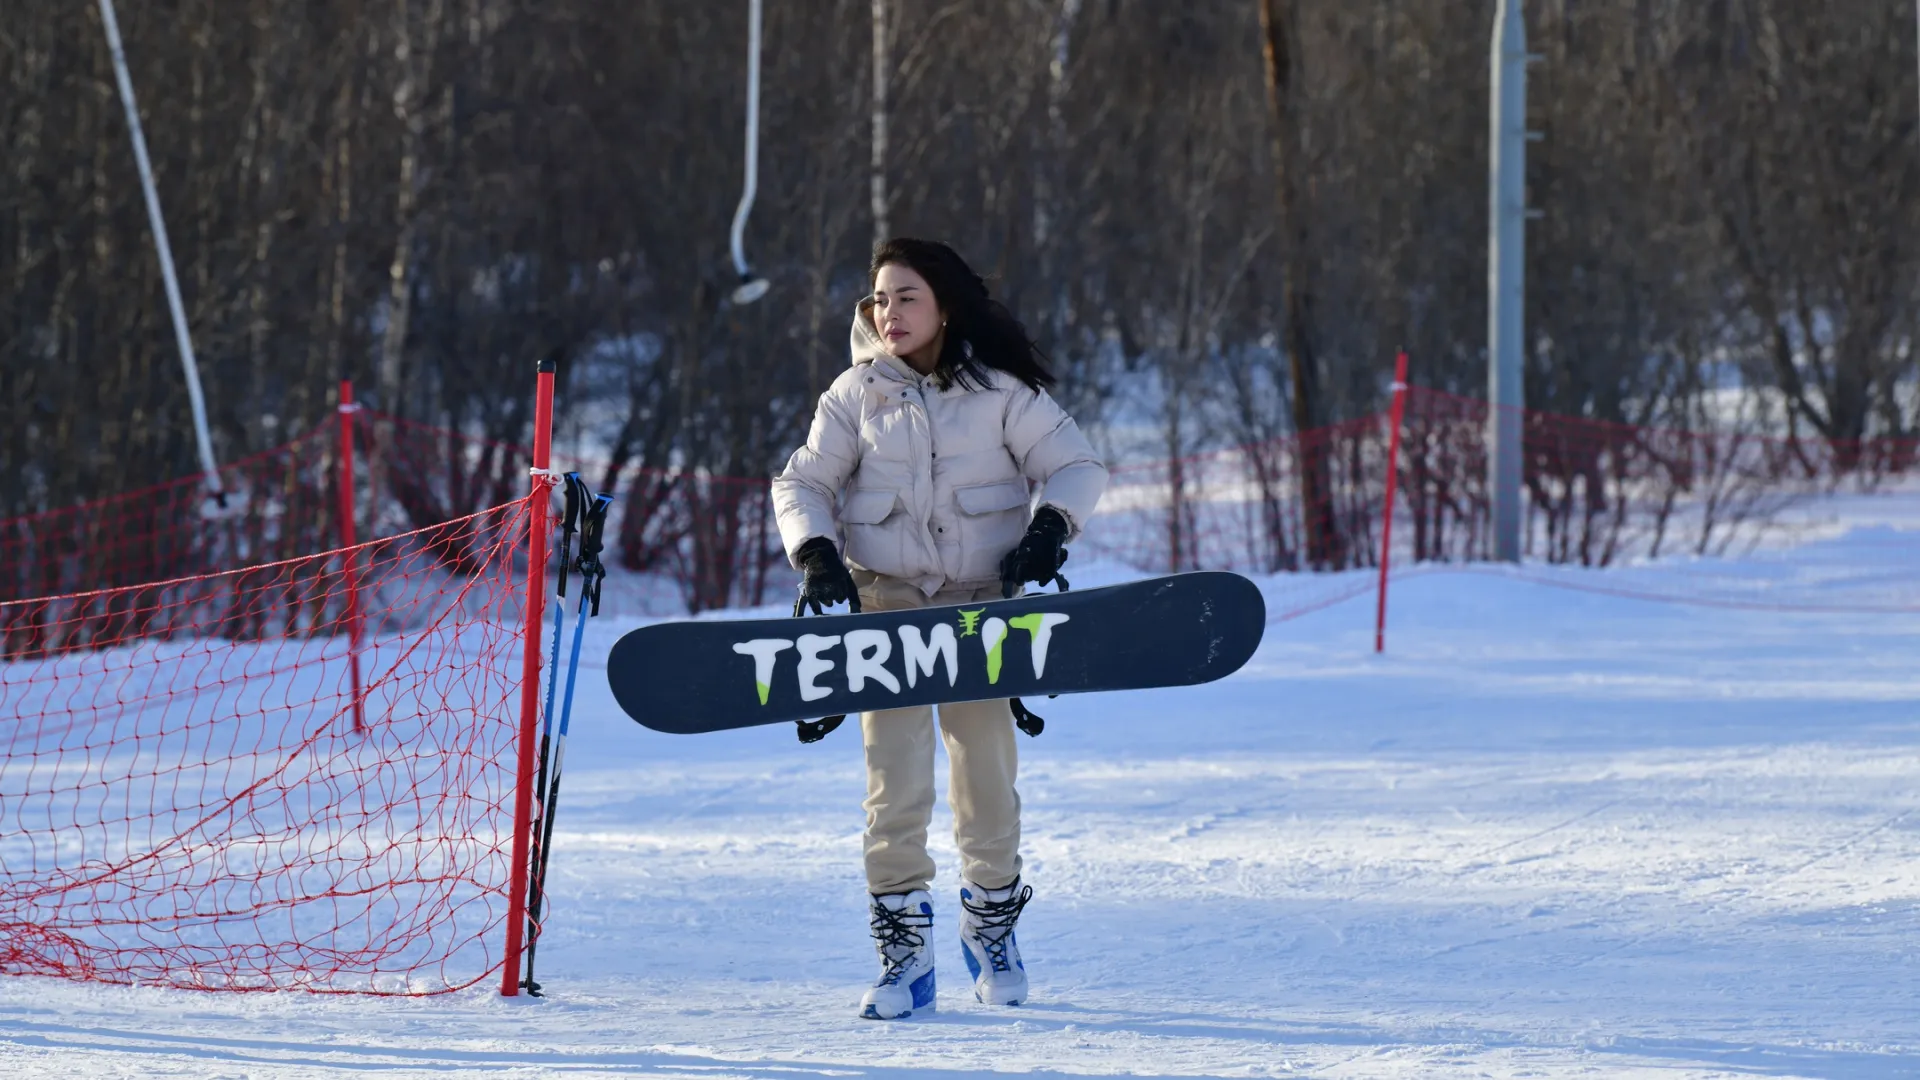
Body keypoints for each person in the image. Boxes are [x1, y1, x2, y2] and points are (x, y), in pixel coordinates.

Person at [771, 238, 1108, 1019]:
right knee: (894, 783)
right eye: (879, 299)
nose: (888, 312)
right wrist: (816, 553)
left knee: (986, 772)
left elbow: (1078, 466)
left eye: (906, 297)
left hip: (979, 608)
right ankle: (905, 950)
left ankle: (990, 922)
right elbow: (805, 481)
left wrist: (1050, 527)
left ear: (945, 305)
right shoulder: (855, 395)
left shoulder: (1001, 393)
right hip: (886, 609)